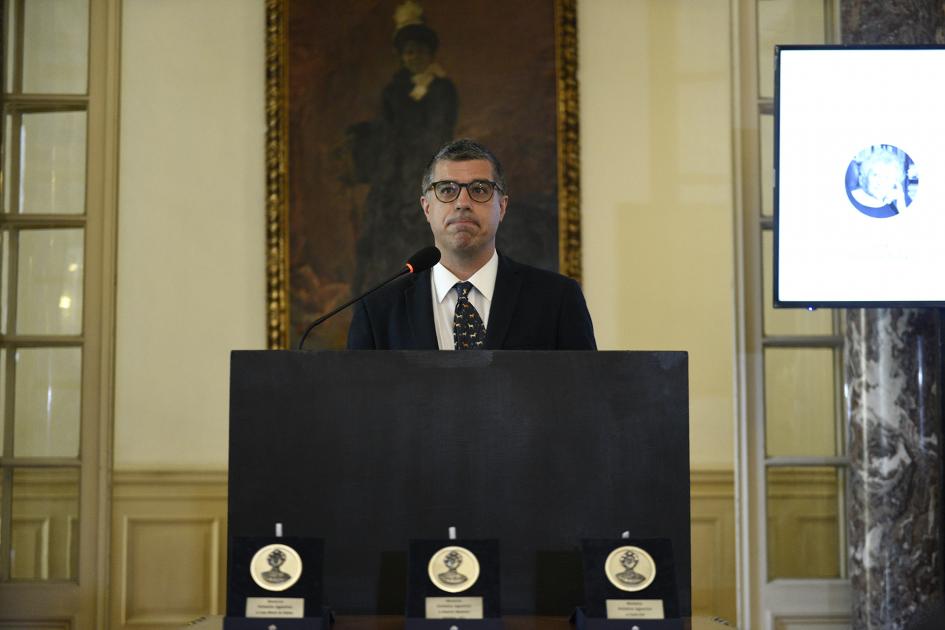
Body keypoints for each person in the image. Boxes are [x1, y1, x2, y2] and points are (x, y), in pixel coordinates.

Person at [347, 138, 597, 350]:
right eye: (446, 190)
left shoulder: (557, 299)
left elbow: (586, 396)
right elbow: (359, 402)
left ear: (502, 207)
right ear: (426, 207)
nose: (462, 202)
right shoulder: (378, 310)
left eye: (479, 190)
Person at [346, 0, 458, 294]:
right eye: (408, 51)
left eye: (420, 51)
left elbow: (437, 132)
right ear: (400, 56)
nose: (414, 57)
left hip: (420, 172)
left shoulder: (442, 90)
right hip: (391, 176)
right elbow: (386, 128)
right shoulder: (394, 90)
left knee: (415, 237)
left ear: (430, 53)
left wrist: (412, 157)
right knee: (377, 238)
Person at [846, 146, 911, 218]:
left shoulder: (903, 201)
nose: (880, 182)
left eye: (887, 177)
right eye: (875, 175)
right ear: (866, 175)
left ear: (895, 182)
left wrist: (901, 207)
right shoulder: (848, 198)